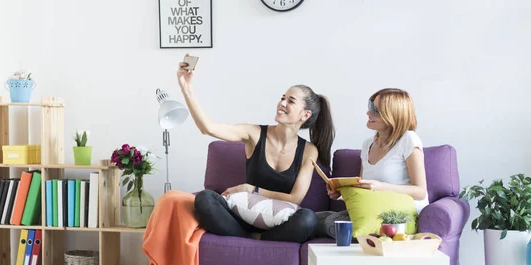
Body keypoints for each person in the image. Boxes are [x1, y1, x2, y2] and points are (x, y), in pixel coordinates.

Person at [176, 57, 336, 243]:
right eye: (282, 98)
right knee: (204, 198)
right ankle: (249, 237)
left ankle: (257, 239)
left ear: (305, 114)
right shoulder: (254, 133)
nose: (282, 103)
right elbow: (208, 128)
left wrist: (252, 189)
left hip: (278, 224)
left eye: (290, 101)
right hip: (240, 219)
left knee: (307, 219)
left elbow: (295, 198)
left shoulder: (309, 151)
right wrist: (186, 88)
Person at [316, 88, 428, 238]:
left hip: (398, 215)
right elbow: (363, 188)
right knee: (313, 218)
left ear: (393, 114)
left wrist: (380, 187)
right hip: (373, 210)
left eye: (376, 110)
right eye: (370, 107)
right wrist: (341, 193)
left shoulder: (409, 139)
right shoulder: (368, 144)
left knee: (329, 223)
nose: (368, 113)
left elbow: (420, 191)